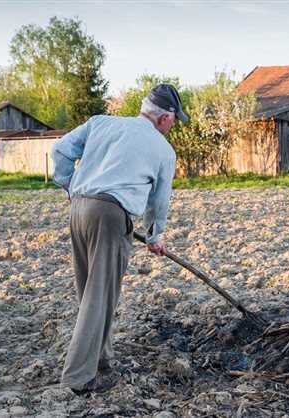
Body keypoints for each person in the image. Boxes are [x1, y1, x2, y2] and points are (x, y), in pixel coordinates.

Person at [51, 84, 188, 394]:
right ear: (165, 118)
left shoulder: (102, 122)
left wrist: (70, 186)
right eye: (175, 119)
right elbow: (158, 202)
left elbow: (59, 150)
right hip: (111, 216)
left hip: (80, 208)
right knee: (100, 295)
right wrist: (155, 236)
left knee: (89, 290)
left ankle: (101, 359)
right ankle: (79, 377)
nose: (174, 125)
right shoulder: (163, 150)